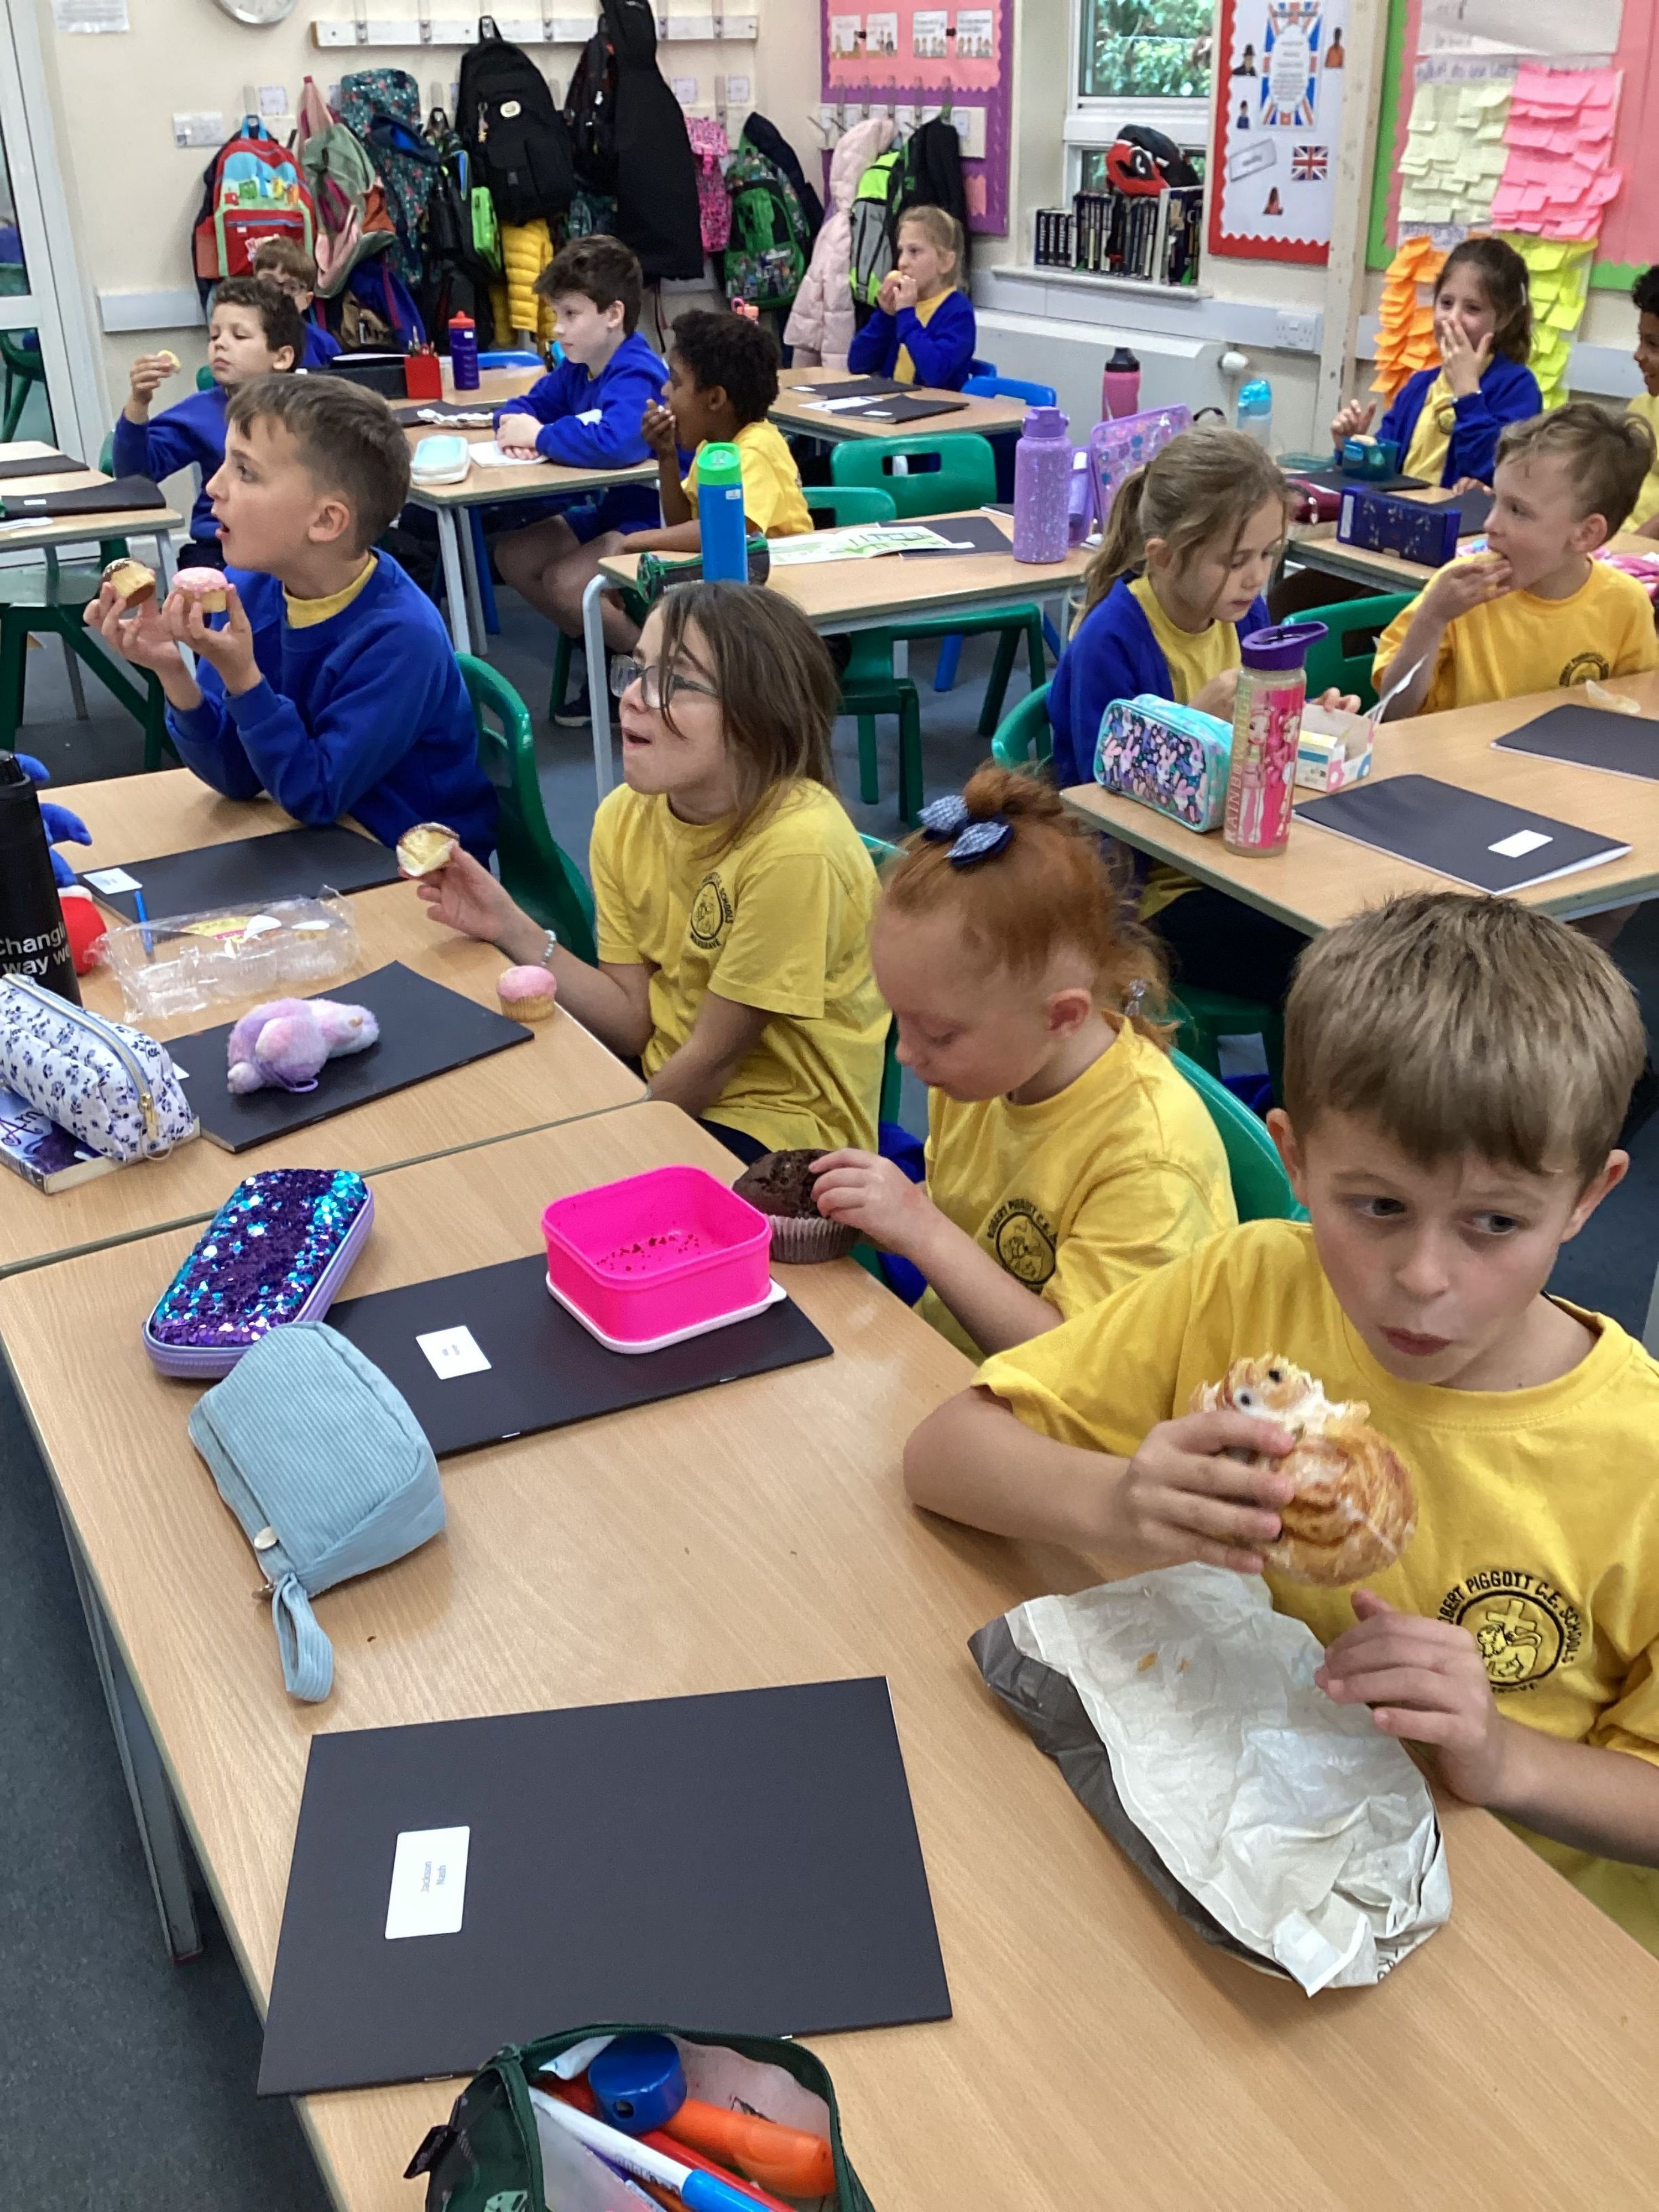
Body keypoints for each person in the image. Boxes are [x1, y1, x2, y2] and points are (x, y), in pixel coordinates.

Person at [904, 890, 1659, 1958]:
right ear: (1295, 1160)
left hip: (1497, 1936)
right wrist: (1119, 1499)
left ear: (1587, 1196)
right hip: (1217, 1839)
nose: (1423, 1277)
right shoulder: (1246, 1286)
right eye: (1378, 1206)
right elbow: (941, 1455)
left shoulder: (1639, 1461)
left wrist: (1504, 1757)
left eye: (1495, 1223)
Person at [415, 582, 885, 1160]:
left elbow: (714, 1059)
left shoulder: (796, 848)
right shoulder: (625, 816)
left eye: (675, 681)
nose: (634, 697)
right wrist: (508, 925)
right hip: (671, 1089)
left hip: (785, 1134)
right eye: (637, 670)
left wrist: (615, 1142)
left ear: (758, 717)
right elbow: (633, 1022)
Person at [808, 767, 1235, 1359]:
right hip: (950, 1366)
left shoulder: (1149, 1161)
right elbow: (968, 1211)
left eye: (937, 1033)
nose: (905, 1053)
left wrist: (918, 1226)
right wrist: (887, 1214)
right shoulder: (984, 1071)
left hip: (1065, 1407)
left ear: (1061, 1017)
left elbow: (1075, 1367)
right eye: (899, 1018)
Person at [90, 375, 494, 863]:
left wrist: (244, 678)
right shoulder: (250, 587)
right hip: (314, 844)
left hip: (412, 870)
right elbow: (237, 776)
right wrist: (174, 672)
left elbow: (316, 795)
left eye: (245, 472)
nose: (214, 486)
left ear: (325, 521)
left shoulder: (401, 638)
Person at [1047, 425, 1354, 1006]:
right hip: (1156, 894)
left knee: (1356, 925)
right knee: (1328, 968)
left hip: (1241, 857)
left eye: (1268, 554)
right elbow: (1100, 802)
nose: (1256, 577)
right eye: (1235, 560)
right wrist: (1189, 721)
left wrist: (1312, 724)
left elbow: (1259, 751)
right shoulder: (1111, 642)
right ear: (1163, 559)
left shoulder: (1247, 615)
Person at [1374, 403, 1659, 722]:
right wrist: (1432, 618)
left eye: (1518, 511)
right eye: (1495, 501)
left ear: (1586, 534)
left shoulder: (1626, 604)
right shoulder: (1457, 591)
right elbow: (1392, 712)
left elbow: (1639, 714)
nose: (1490, 524)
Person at [489, 236, 667, 712]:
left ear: (613, 314)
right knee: (514, 556)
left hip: (657, 518)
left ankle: (657, 674)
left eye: (571, 314)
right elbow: (525, 406)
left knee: (566, 582)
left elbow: (618, 443)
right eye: (556, 314)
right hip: (614, 510)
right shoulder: (577, 366)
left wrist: (541, 436)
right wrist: (514, 426)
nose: (558, 328)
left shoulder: (636, 371)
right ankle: (604, 652)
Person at [114, 276, 306, 567]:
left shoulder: (311, 412)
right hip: (218, 553)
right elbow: (134, 477)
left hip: (294, 549)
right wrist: (138, 402)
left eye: (239, 336)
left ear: (282, 358)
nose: (221, 345)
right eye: (214, 336)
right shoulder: (199, 412)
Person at [1330, 236, 1540, 490]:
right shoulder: (1420, 385)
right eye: (1446, 303)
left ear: (1504, 319)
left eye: (1473, 309)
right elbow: (1382, 472)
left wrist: (1467, 393)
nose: (1453, 319)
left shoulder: (1517, 388)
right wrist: (1352, 448)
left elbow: (1495, 469)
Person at [847, 206, 976, 390]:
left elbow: (935, 374)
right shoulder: (900, 306)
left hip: (938, 405)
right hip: (895, 400)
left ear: (945, 262)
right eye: (901, 251)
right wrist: (885, 316)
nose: (902, 263)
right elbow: (858, 364)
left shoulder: (958, 312)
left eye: (914, 251)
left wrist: (907, 315)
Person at [251, 238, 343, 367]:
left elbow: (340, 378)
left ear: (307, 300)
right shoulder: (242, 339)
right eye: (269, 284)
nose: (280, 293)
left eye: (292, 288)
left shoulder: (324, 344)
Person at [1626, 263, 1659, 536]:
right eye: (1641, 340)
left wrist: (1632, 550)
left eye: (1654, 345)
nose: (1638, 355)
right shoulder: (1640, 409)